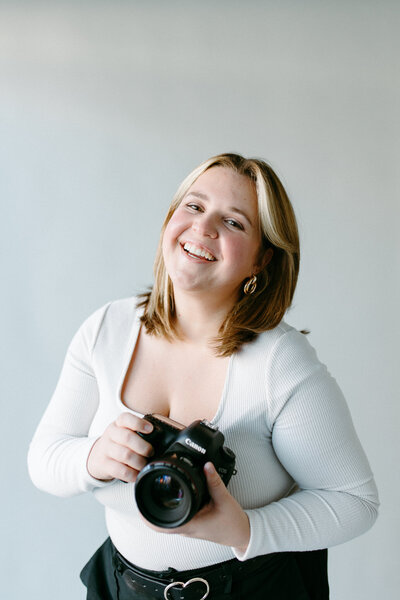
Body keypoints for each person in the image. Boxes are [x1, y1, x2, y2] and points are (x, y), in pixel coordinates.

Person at [28, 153, 379, 600]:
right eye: (193, 206)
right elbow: (44, 459)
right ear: (169, 221)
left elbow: (355, 501)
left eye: (234, 222)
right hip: (121, 587)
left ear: (261, 261)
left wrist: (248, 529)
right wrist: (94, 458)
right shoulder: (107, 329)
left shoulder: (279, 362)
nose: (204, 227)